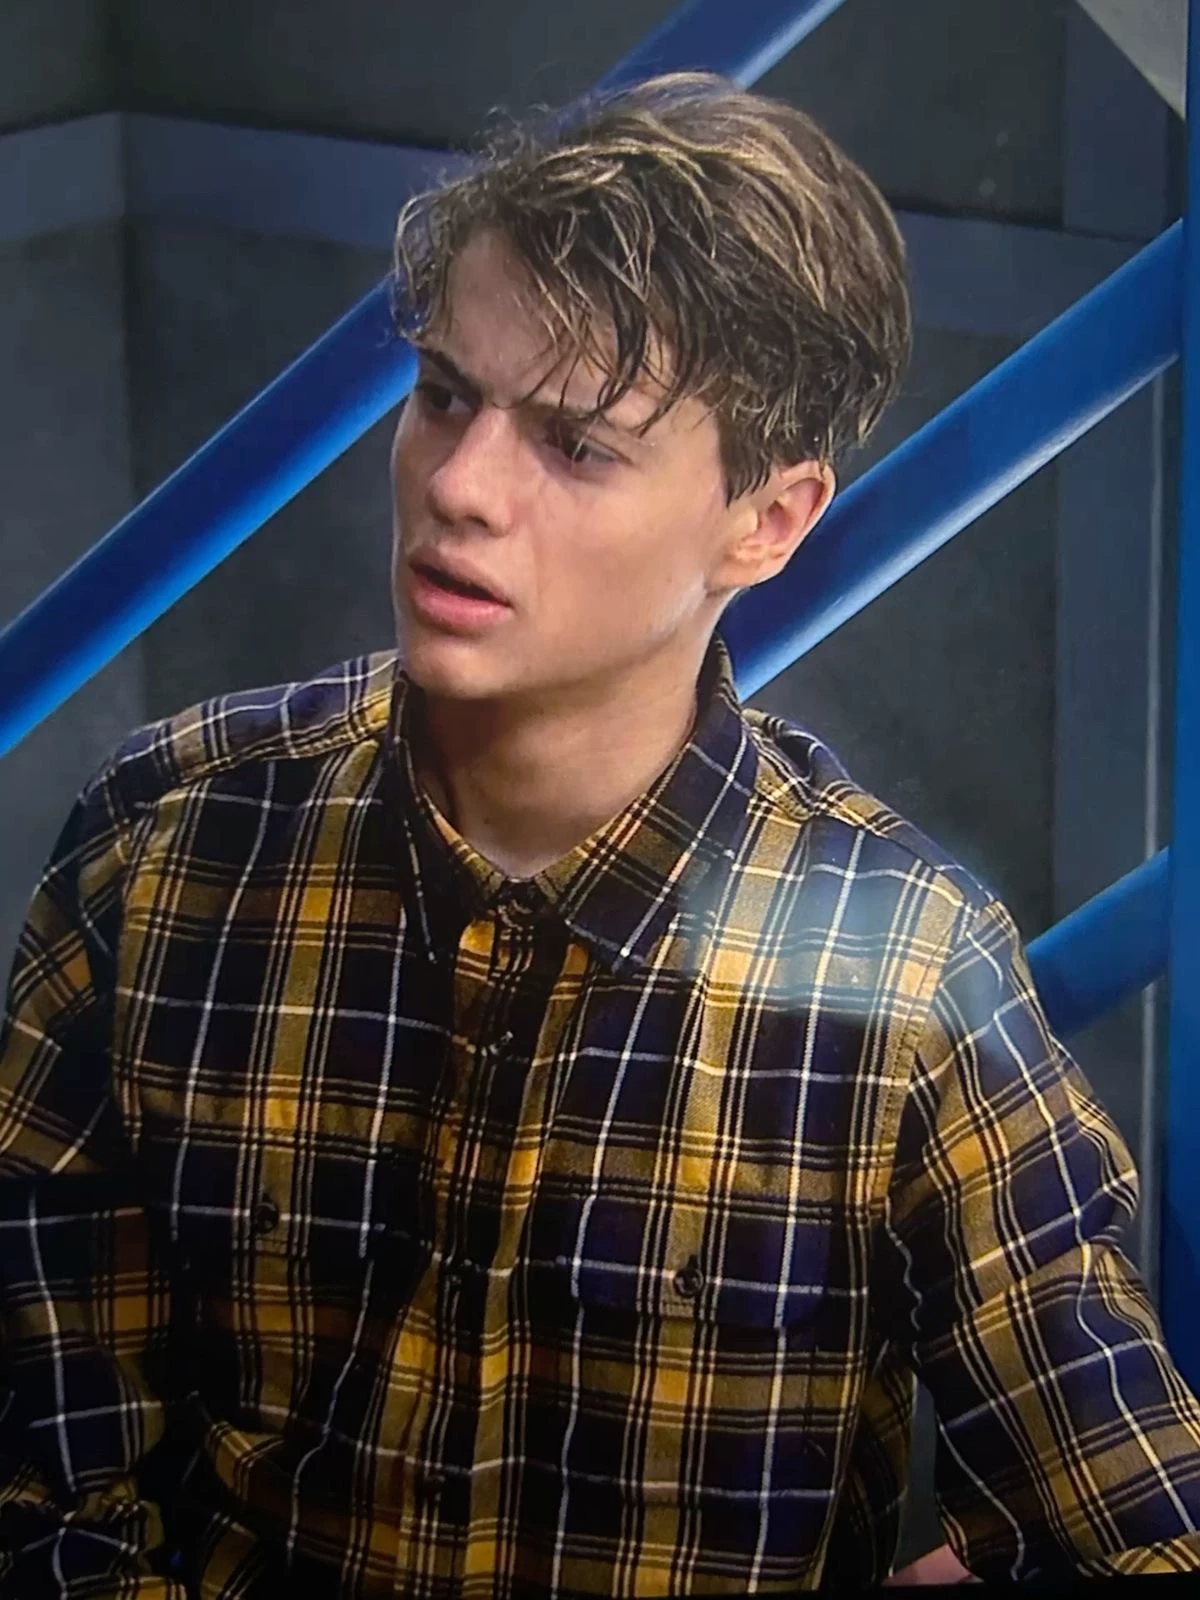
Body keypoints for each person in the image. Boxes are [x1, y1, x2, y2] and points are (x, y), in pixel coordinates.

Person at [1, 71, 1198, 1600]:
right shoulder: (165, 840)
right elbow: (40, 1487)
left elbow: (1136, 1527)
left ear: (766, 523)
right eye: (446, 393)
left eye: (576, 445)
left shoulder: (904, 975)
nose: (458, 487)